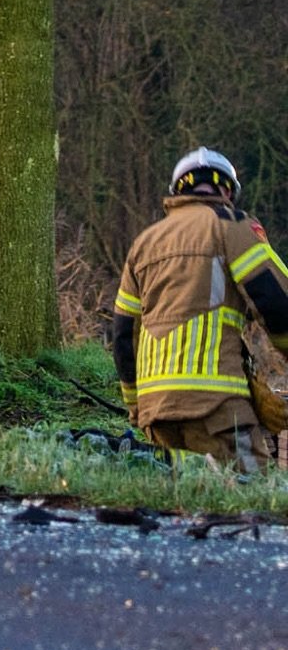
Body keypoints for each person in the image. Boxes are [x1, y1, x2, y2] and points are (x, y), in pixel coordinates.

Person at [112, 148, 288, 469]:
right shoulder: (232, 225)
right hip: (217, 405)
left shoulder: (144, 243)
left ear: (178, 191)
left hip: (156, 411)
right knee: (250, 491)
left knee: (181, 493)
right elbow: (277, 303)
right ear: (226, 191)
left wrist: (136, 405)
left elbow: (123, 335)